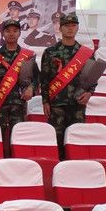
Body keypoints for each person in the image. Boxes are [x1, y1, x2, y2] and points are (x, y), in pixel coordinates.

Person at [41, 13, 96, 157]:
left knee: (76, 141)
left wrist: (89, 93)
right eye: (66, 26)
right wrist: (45, 101)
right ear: (60, 28)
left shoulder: (86, 53)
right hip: (56, 104)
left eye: (73, 25)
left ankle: (74, 168)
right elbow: (44, 79)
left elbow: (92, 78)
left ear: (77, 28)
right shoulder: (50, 52)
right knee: (56, 140)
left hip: (77, 104)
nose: (70, 28)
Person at [0, 19, 38, 138]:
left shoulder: (28, 55)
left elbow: (36, 77)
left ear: (19, 33)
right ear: (3, 34)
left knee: (18, 136)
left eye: (15, 31)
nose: (11, 34)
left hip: (19, 103)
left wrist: (31, 88)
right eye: (8, 31)